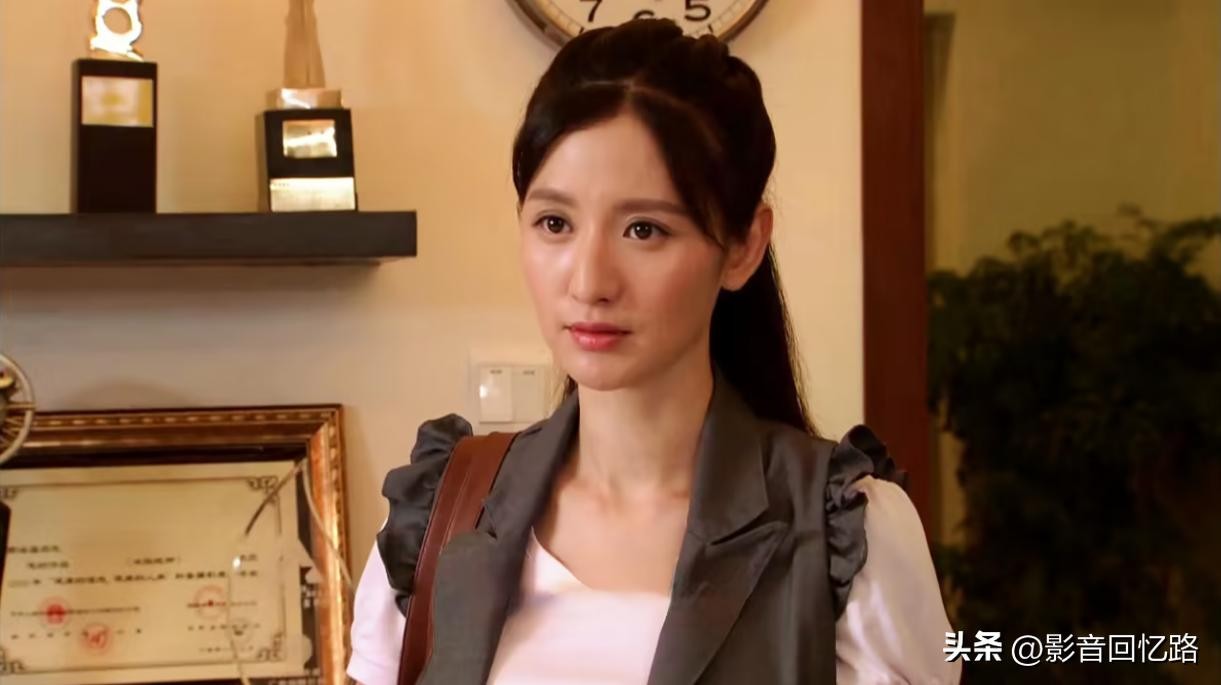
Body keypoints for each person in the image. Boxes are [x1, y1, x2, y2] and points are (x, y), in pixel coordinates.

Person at [347, 18, 959, 685]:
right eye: (554, 223)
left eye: (644, 229)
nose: (589, 282)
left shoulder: (847, 538)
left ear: (743, 246)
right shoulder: (438, 515)